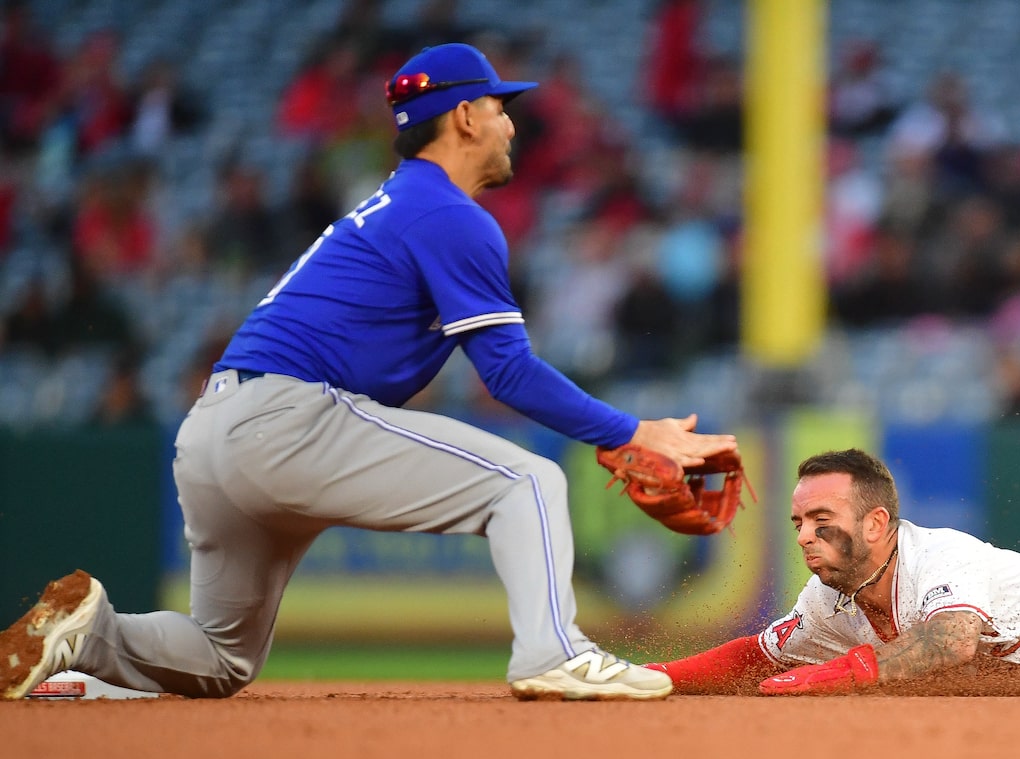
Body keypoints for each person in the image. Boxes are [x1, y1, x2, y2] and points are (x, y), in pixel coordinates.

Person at [0, 43, 737, 703]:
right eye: (500, 106)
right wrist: (632, 430)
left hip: (214, 434)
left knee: (222, 659)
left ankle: (90, 634)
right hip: (285, 419)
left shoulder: (395, 207)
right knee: (527, 482)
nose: (514, 122)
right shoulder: (449, 213)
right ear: (465, 119)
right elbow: (507, 375)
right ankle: (557, 653)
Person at [645, 448, 1020, 695]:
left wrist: (830, 675)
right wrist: (653, 677)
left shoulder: (936, 555)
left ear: (874, 523)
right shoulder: (829, 601)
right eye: (798, 521)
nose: (803, 535)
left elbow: (950, 640)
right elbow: (757, 655)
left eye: (821, 519)